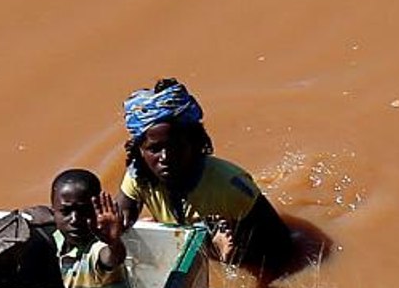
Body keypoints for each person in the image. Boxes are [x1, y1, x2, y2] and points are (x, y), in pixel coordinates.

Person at [118, 78, 292, 271]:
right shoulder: (139, 176)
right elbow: (118, 225)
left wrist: (234, 256)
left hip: (238, 248)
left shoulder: (229, 185)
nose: (166, 157)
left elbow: (282, 245)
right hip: (190, 234)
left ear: (194, 143)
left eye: (175, 146)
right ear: (140, 151)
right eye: (154, 149)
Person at [50, 169, 131, 288]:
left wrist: (113, 243)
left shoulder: (97, 248)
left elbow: (113, 258)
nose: (75, 219)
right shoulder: (54, 241)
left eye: (84, 211)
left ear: (97, 209)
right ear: (53, 211)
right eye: (66, 211)